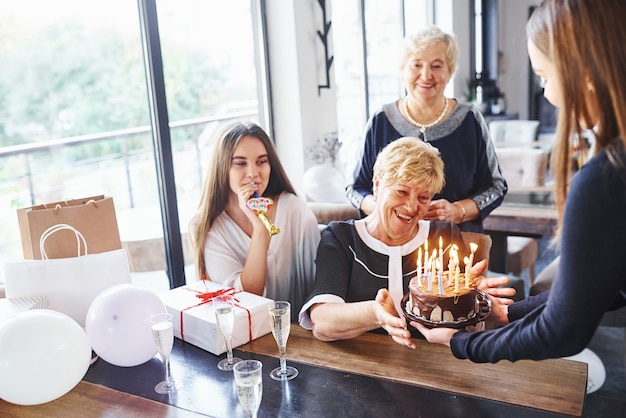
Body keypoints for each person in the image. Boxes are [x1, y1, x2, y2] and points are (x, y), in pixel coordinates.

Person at [415, 0, 626, 363]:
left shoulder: (604, 181)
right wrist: (510, 313)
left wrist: (459, 343)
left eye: (545, 76)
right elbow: (604, 285)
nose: (545, 93)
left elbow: (562, 331)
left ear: (586, 74)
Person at [298, 137, 514, 347]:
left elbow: (461, 326)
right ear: (377, 184)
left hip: (432, 367)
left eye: (424, 197)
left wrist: (473, 303)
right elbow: (322, 322)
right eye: (402, 191)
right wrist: (375, 313)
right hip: (361, 366)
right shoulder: (342, 237)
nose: (411, 207)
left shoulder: (443, 236)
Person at [346, 26, 507, 233]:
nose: (426, 75)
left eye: (437, 65)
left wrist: (458, 211)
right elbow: (355, 189)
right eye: (416, 64)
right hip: (391, 248)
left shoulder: (470, 119)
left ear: (450, 72)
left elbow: (496, 187)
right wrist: (385, 208)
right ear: (402, 70)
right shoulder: (381, 121)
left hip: (456, 248)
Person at [189, 122, 320, 321]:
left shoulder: (296, 211)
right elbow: (246, 300)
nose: (253, 173)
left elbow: (318, 288)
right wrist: (260, 230)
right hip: (245, 340)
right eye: (240, 163)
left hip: (301, 336)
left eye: (261, 161)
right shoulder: (209, 228)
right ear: (222, 168)